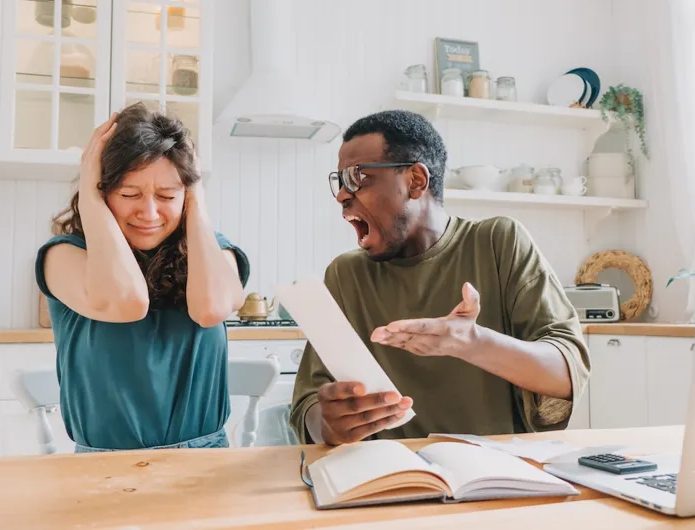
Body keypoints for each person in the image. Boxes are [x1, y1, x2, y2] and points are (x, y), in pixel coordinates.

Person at [289, 109, 591, 446]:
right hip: (385, 479)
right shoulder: (345, 275)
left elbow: (567, 374)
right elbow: (307, 408)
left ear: (416, 181)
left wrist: (472, 343)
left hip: (494, 475)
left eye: (358, 177)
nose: (342, 195)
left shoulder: (498, 242)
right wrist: (330, 425)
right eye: (339, 181)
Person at [35, 103, 250, 452]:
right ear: (103, 191)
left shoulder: (214, 251)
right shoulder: (63, 256)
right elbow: (126, 303)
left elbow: (210, 309)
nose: (149, 213)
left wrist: (194, 194)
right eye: (129, 194)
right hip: (102, 470)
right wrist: (90, 195)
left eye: (167, 195)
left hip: (206, 463)